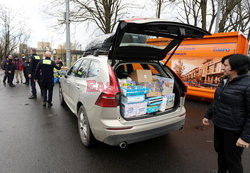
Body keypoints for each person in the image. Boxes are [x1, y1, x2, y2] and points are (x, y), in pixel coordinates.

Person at [202, 54, 250, 173]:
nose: (223, 68)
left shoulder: (248, 85)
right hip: (219, 125)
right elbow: (217, 100)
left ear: (236, 67)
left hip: (234, 129)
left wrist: (245, 138)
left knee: (233, 160)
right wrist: (208, 115)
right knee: (221, 152)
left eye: (225, 65)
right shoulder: (224, 80)